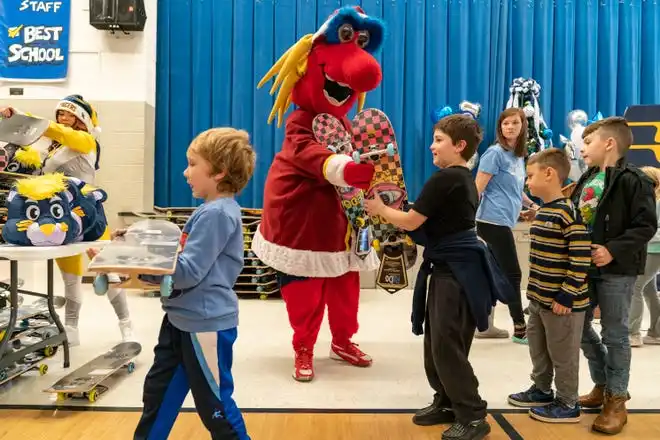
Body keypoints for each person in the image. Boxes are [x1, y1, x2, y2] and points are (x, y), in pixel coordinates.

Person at [250, 6, 384, 382]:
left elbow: (353, 159)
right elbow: (310, 155)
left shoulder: (344, 122)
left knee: (346, 289)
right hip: (304, 222)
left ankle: (342, 340)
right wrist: (347, 169)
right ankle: (303, 347)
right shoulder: (299, 120)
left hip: (342, 223)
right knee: (305, 294)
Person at [365, 114, 515, 440]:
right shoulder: (460, 179)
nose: (431, 145)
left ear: (459, 146)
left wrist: (380, 209)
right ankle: (446, 401)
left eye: (439, 140)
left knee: (446, 346)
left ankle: (473, 415)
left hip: (456, 273)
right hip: (453, 270)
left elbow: (410, 222)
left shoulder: (446, 179)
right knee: (438, 342)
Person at [131, 127, 255, 440]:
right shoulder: (209, 211)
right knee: (158, 397)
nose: (185, 171)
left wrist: (139, 268)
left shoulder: (217, 214)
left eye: (192, 163)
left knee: (215, 408)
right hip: (180, 321)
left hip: (204, 327)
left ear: (219, 172)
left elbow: (186, 272)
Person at [0, 98, 134, 345]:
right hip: (62, 220)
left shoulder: (85, 140)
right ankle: (71, 329)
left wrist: (22, 115)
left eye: (69, 115)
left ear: (81, 119)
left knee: (108, 272)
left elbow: (54, 129)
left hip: (91, 216)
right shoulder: (53, 148)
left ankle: (126, 324)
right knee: (70, 278)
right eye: (60, 114)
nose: (63, 118)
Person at [571, 117, 657, 434]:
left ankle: (616, 400)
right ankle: (604, 383)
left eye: (588, 142)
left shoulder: (635, 180)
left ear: (609, 144)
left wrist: (613, 249)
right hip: (584, 267)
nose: (582, 148)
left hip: (617, 270)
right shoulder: (588, 178)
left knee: (615, 334)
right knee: (577, 327)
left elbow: (646, 226)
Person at [507, 148, 591, 423]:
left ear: (549, 174)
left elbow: (580, 257)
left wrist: (567, 295)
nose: (527, 182)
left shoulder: (568, 213)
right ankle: (542, 389)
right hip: (539, 300)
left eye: (530, 176)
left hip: (562, 304)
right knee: (539, 349)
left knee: (563, 355)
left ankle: (568, 403)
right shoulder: (545, 210)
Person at [474, 107, 537, 343]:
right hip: (490, 221)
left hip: (505, 220)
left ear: (523, 127)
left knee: (492, 274)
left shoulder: (518, 155)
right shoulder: (494, 154)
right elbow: (477, 188)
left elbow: (516, 188)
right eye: (505, 123)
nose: (509, 127)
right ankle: (520, 328)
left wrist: (532, 204)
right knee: (513, 274)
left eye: (515, 123)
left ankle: (484, 326)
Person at [628, 166, 660, 347]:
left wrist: (640, 236)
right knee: (648, 290)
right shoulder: (651, 200)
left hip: (655, 250)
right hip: (650, 249)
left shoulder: (657, 202)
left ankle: (633, 333)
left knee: (635, 287)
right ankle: (656, 332)